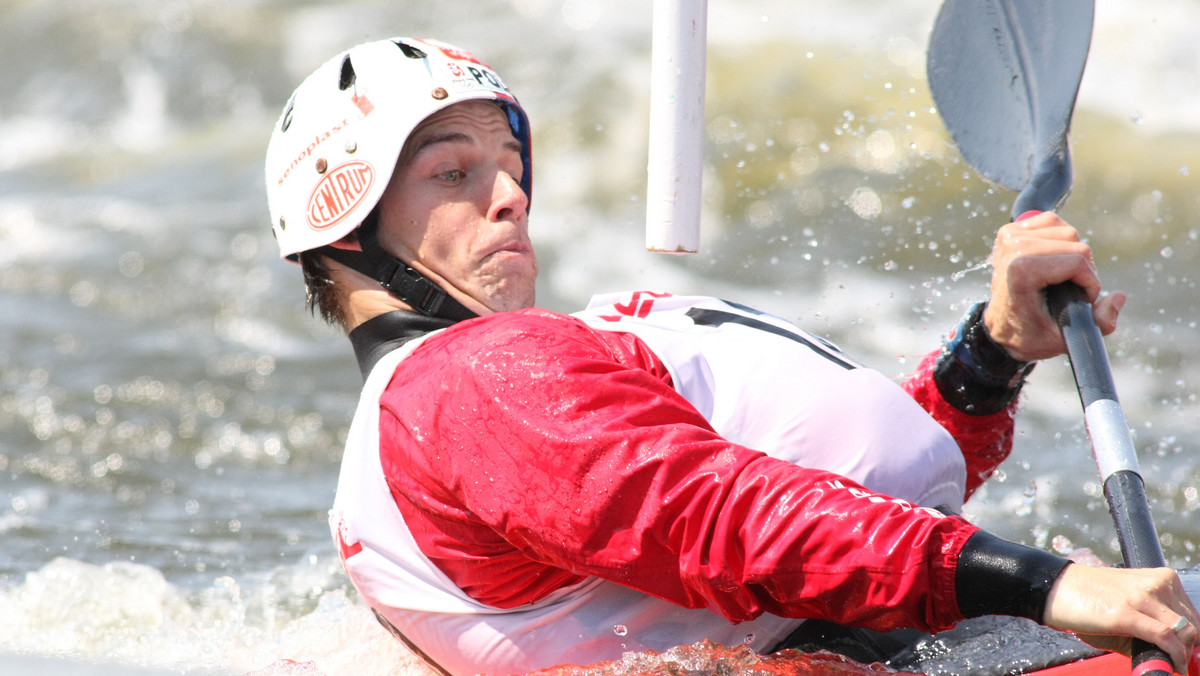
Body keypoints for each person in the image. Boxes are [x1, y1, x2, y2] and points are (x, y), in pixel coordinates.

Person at [264, 37, 1199, 675]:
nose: (509, 194)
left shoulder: (485, 390)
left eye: (509, 164)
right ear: (345, 228)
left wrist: (991, 352)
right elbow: (736, 523)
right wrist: (1052, 587)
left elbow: (832, 495)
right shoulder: (471, 383)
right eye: (452, 171)